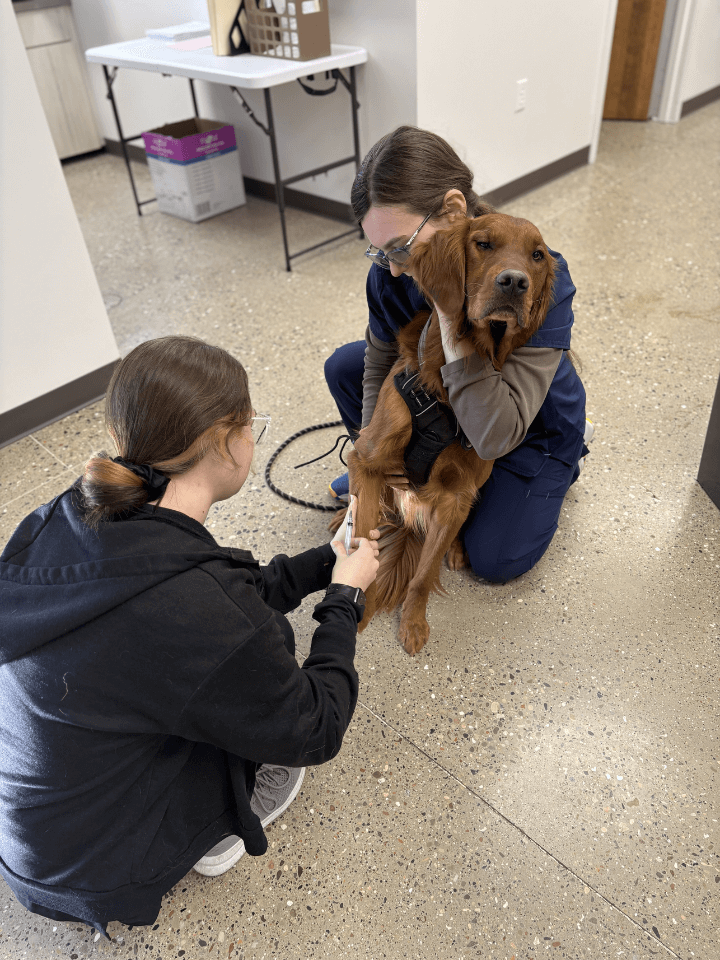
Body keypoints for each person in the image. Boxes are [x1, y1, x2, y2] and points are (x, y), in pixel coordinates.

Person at [0, 336, 379, 937]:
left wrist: (323, 565)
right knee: (269, 648)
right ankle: (215, 831)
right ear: (228, 440)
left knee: (244, 645)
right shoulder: (207, 613)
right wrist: (345, 600)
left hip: (36, 835)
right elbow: (316, 726)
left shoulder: (60, 515)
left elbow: (210, 592)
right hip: (100, 869)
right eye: (255, 426)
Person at [325, 125, 592, 584]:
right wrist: (369, 452)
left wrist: (451, 323)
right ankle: (414, 471)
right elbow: (376, 365)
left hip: (520, 433)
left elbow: (495, 437)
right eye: (379, 251)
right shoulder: (391, 274)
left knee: (495, 560)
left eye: (402, 246)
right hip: (448, 416)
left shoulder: (537, 276)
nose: (392, 266)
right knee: (345, 366)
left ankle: (552, 476)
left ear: (452, 210)